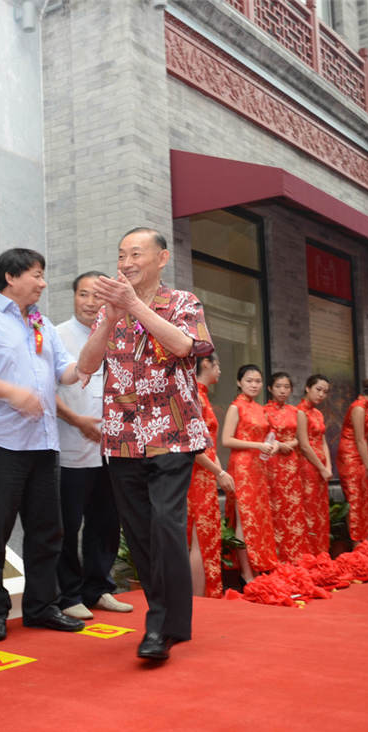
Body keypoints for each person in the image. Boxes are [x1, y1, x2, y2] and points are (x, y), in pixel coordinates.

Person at [78, 227, 214, 662]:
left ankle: (160, 626)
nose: (126, 261)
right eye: (121, 254)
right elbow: (86, 363)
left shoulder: (183, 303)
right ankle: (171, 621)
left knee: (165, 523)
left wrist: (136, 307)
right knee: (138, 533)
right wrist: (114, 318)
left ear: (161, 258)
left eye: (136, 253)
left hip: (172, 434)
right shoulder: (110, 310)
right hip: (121, 437)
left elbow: (184, 347)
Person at [0, 248, 87, 642]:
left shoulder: (43, 325)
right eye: (36, 274)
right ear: (11, 277)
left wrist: (97, 343)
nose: (43, 282)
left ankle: (41, 607)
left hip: (43, 443)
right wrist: (13, 393)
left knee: (48, 531)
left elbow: (67, 373)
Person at [54, 271, 133, 618]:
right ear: (74, 297)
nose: (90, 303)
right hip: (71, 446)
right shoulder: (56, 335)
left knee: (105, 523)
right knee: (67, 526)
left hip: (112, 450)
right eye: (83, 295)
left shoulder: (121, 334)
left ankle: (98, 588)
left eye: (97, 297)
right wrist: (78, 421)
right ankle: (68, 595)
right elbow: (46, 391)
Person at [222, 364, 279, 584]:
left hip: (259, 467)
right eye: (249, 381)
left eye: (257, 381)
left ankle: (258, 566)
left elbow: (268, 436)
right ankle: (246, 573)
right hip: (242, 466)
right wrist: (257, 445)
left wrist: (272, 445)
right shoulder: (236, 407)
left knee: (259, 518)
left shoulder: (260, 408)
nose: (254, 385)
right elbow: (227, 440)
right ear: (239, 382)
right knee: (244, 519)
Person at [186, 353, 234, 598]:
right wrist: (219, 471)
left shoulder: (201, 395)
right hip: (197, 474)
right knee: (198, 536)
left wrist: (219, 472)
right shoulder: (195, 395)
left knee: (203, 536)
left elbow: (209, 445)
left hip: (204, 474)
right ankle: (198, 596)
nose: (220, 371)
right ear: (206, 364)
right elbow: (193, 447)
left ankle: (202, 593)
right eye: (218, 365)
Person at [264, 372, 307, 562]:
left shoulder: (295, 411)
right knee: (276, 509)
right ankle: (278, 558)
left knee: (294, 508)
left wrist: (291, 444)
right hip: (271, 464)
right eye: (278, 386)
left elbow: (301, 439)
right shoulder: (263, 411)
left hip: (291, 464)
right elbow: (260, 438)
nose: (282, 390)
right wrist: (279, 445)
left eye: (286, 387)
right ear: (270, 389)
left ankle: (296, 557)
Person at [337, 379, 368, 543]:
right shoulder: (359, 408)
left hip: (362, 454)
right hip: (351, 456)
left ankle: (367, 540)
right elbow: (360, 439)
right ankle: (357, 543)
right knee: (355, 499)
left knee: (367, 498)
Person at [297, 374, 333, 555]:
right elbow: (304, 445)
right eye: (318, 389)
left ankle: (322, 553)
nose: (321, 395)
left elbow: (323, 441)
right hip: (308, 467)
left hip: (322, 469)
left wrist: (329, 468)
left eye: (325, 392)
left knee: (321, 512)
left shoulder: (318, 413)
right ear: (307, 388)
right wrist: (320, 467)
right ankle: (310, 556)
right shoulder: (300, 412)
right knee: (309, 511)